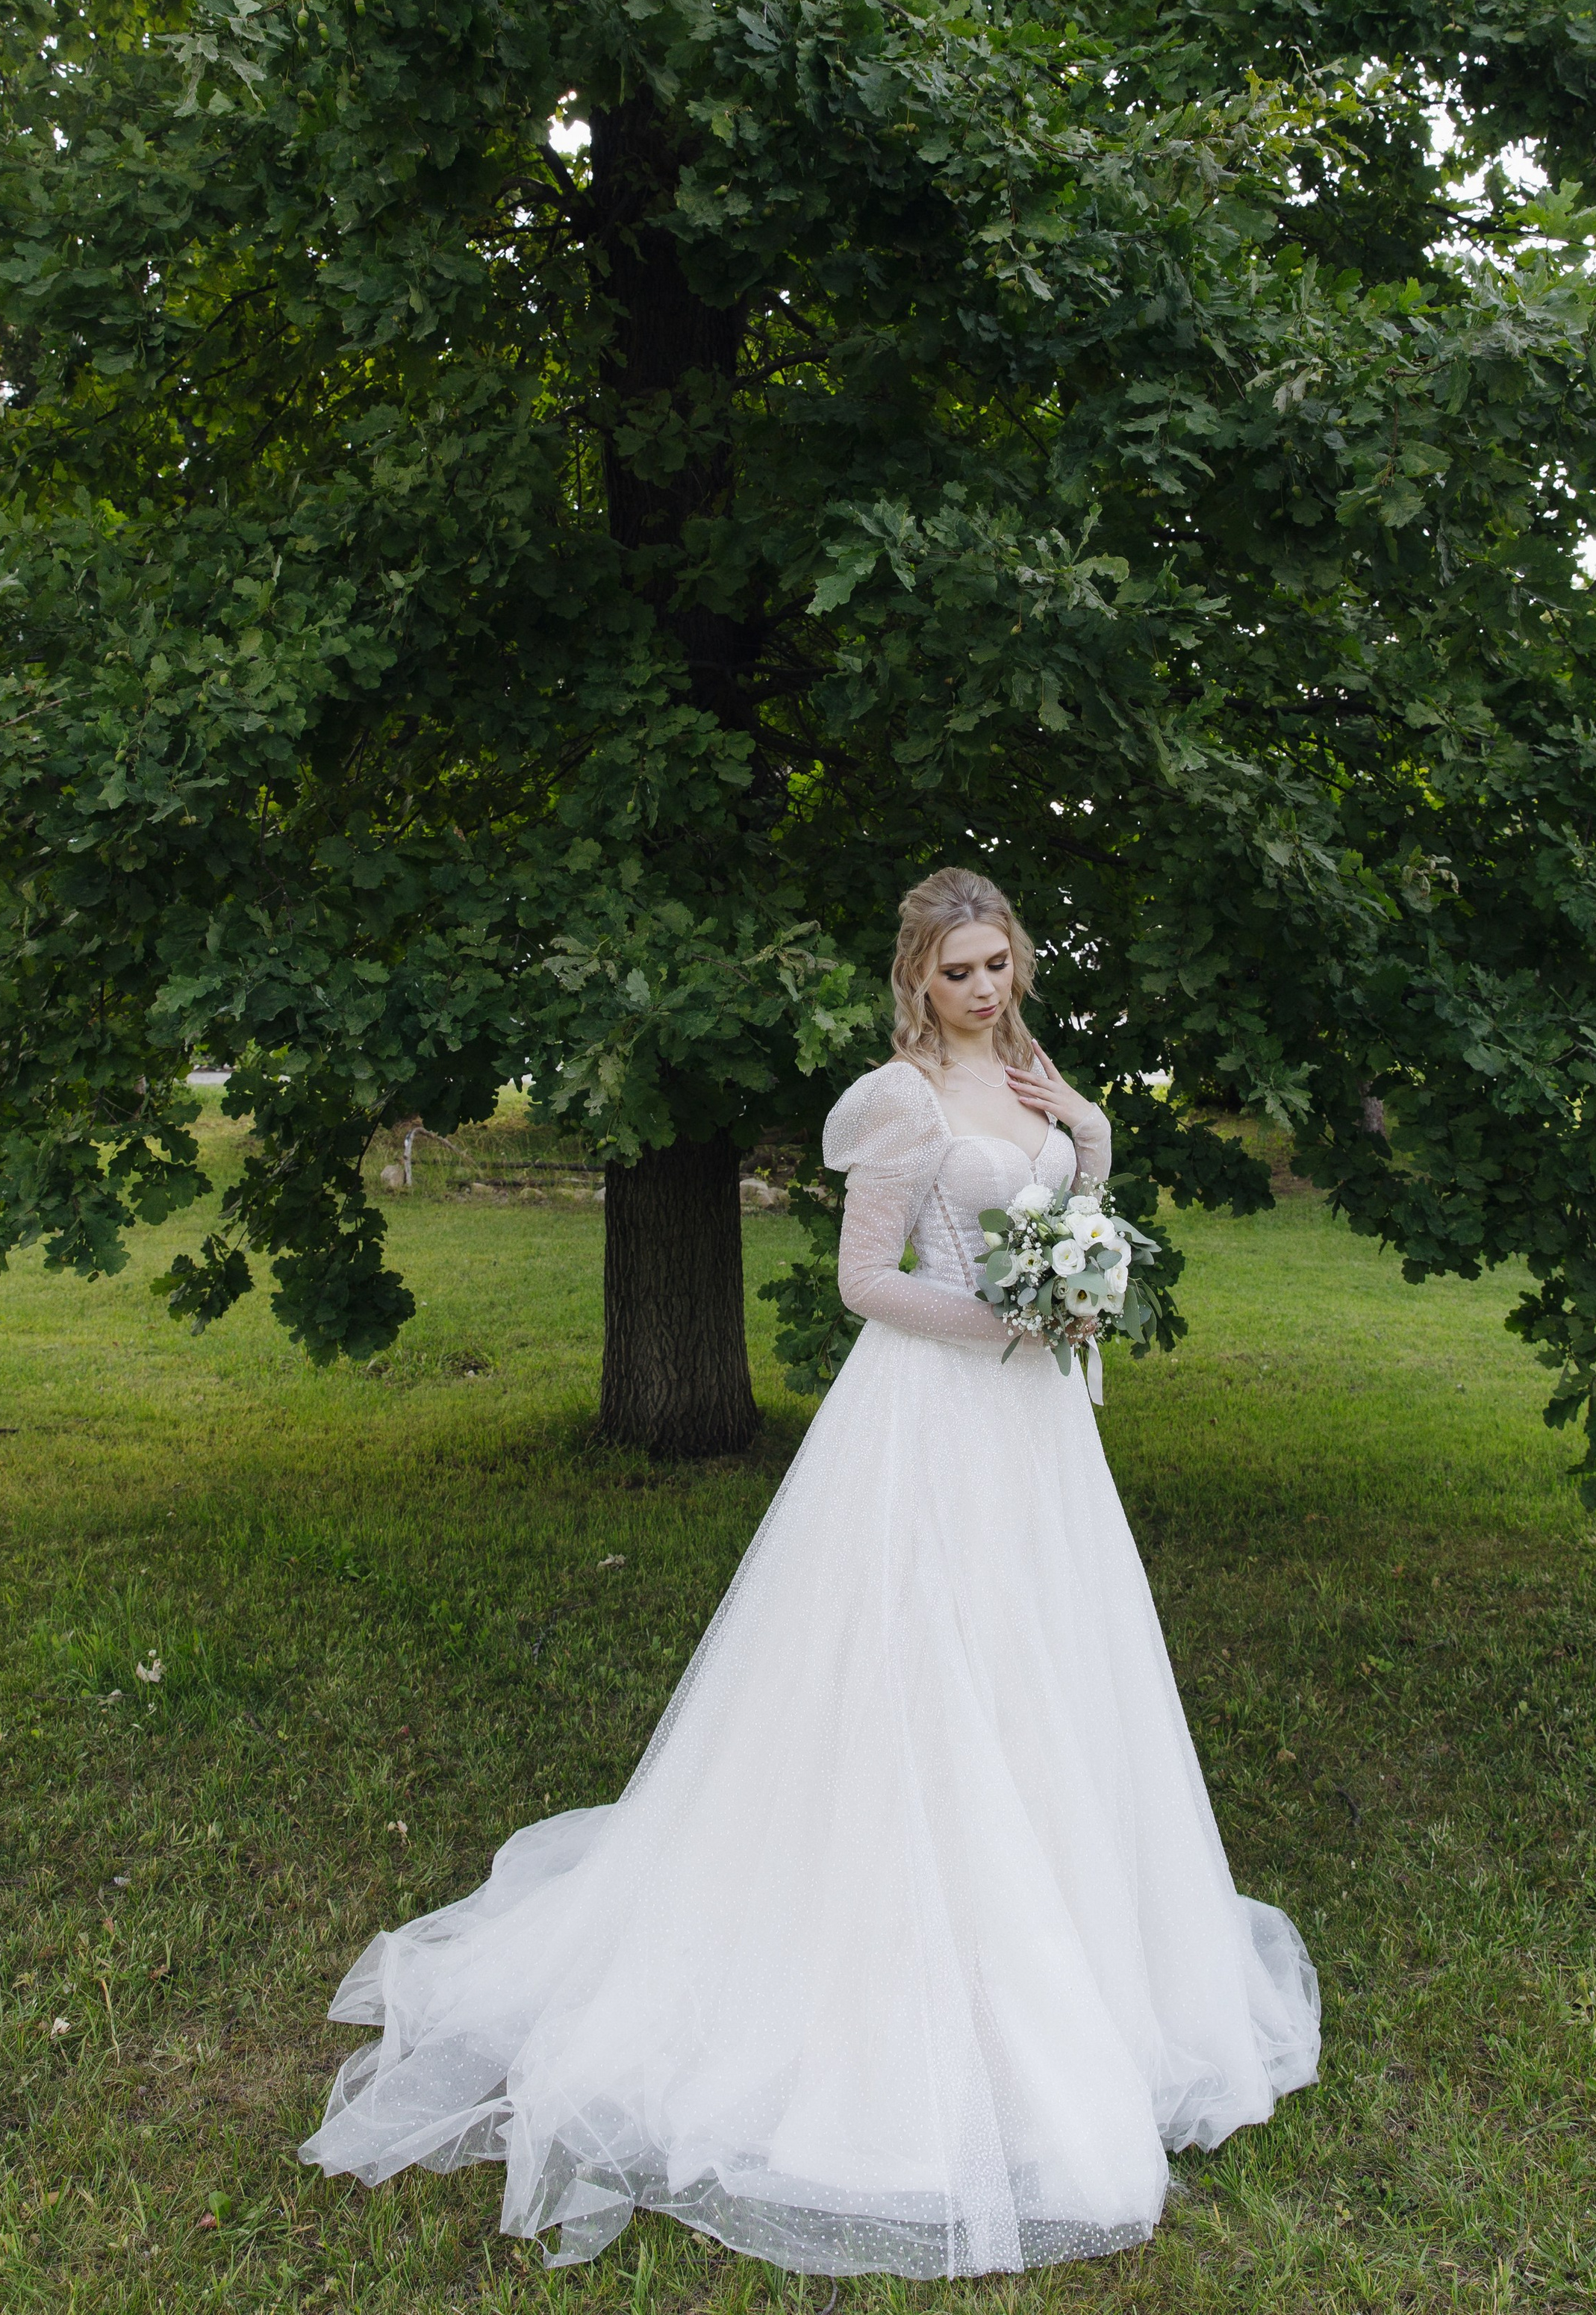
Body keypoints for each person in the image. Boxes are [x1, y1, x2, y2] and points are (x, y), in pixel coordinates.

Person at [300, 867, 1320, 2275]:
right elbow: (864, 1280)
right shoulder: (895, 1104)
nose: (987, 990)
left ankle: (1076, 1937)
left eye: (1002, 965)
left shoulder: (1031, 1068)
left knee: (1048, 1660)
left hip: (1035, 1428)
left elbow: (1084, 1177)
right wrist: (1003, 1318)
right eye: (962, 972)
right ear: (919, 977)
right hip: (938, 1407)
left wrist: (1080, 1156)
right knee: (915, 1665)